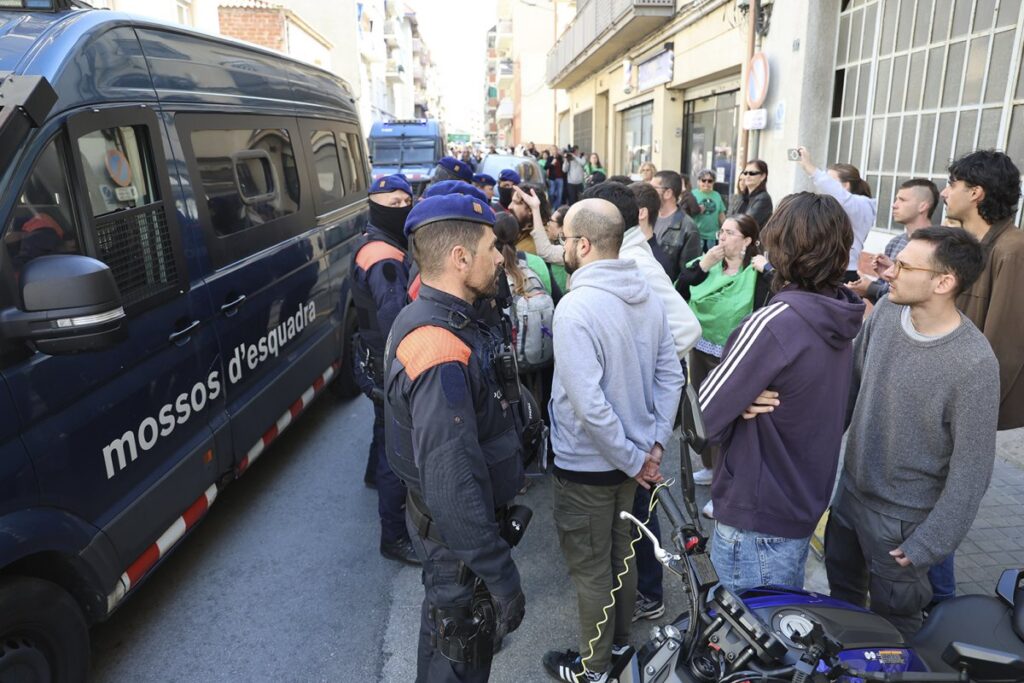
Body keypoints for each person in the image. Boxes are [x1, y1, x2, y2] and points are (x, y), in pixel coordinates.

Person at [825, 227, 997, 637]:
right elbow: (850, 388)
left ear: (944, 282)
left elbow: (972, 471)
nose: (890, 273)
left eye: (904, 265)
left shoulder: (974, 364)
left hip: (902, 524)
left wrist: (930, 544)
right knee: (840, 606)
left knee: (894, 628)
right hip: (849, 495)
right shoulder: (885, 314)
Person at [385, 192, 527, 682]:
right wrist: (500, 575)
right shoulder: (439, 346)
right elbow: (452, 480)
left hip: (458, 542)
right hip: (461, 550)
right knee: (458, 658)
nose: (500, 258)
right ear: (459, 257)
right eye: (492, 248)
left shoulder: (451, 317)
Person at [542, 198, 684, 683]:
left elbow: (589, 406)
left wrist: (635, 458)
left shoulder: (575, 308)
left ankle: (594, 669)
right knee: (620, 556)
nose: (561, 247)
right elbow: (672, 376)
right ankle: (620, 645)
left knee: (592, 570)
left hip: (591, 467)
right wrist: (653, 448)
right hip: (635, 462)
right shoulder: (645, 293)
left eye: (562, 240)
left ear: (583, 245)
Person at [700, 192, 865, 594]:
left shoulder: (775, 321)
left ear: (783, 246)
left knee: (749, 643)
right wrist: (741, 403)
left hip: (756, 513)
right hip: (801, 499)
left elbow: (702, 414)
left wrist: (735, 404)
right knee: (782, 636)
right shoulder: (841, 313)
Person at [583, 181, 701, 625]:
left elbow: (685, 329)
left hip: (641, 412)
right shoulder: (625, 253)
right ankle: (643, 589)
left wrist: (638, 361)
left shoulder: (632, 261)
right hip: (638, 412)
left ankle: (649, 593)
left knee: (640, 506)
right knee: (636, 504)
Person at [675, 214, 773, 512]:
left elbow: (775, 299)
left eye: (731, 233)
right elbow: (679, 289)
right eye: (722, 231)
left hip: (735, 354)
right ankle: (708, 466)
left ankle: (726, 486)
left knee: (727, 417)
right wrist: (703, 265)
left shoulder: (756, 271)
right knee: (701, 410)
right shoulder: (708, 265)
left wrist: (767, 269)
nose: (722, 237)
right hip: (701, 347)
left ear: (747, 241)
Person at [349, 175, 419, 566]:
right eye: (391, 202)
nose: (400, 207)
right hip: (385, 359)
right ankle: (394, 536)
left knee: (382, 424)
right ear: (374, 204)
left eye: (404, 200)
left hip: (371, 354)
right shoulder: (384, 258)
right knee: (398, 446)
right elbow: (396, 320)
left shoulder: (373, 239)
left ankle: (373, 475)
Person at [941, 150, 1024, 431]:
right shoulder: (966, 245)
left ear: (976, 192)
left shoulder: (1013, 250)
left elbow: (1005, 345)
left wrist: (974, 410)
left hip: (969, 404)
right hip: (947, 392)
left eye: (952, 185)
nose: (944, 193)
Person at [849, 178, 938, 304]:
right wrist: (864, 288)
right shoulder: (895, 243)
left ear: (923, 206)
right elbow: (884, 300)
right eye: (896, 199)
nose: (894, 205)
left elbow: (922, 295)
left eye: (902, 200)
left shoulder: (935, 246)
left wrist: (870, 288)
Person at [796, 146, 877, 283]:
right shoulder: (840, 206)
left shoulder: (862, 205)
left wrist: (810, 168)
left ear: (845, 185)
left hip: (844, 273)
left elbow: (838, 194)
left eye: (830, 180)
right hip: (826, 270)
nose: (825, 186)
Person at [650, 171, 702, 280]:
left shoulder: (688, 227)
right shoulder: (648, 218)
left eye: (653, 188)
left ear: (668, 193)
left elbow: (688, 273)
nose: (649, 192)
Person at [507, 182, 551, 255]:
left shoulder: (534, 245)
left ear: (531, 209)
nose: (509, 206)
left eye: (515, 202)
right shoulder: (520, 230)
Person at [728, 159, 773, 229]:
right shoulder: (743, 197)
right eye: (745, 173)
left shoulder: (763, 199)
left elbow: (747, 223)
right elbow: (729, 219)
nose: (747, 176)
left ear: (763, 176)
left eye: (752, 173)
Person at [691, 169, 726, 251]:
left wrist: (725, 230)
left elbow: (721, 215)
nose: (706, 183)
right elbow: (686, 214)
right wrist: (697, 210)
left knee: (712, 261)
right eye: (703, 180)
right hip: (697, 235)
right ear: (699, 181)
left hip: (713, 237)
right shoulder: (692, 194)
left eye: (710, 181)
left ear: (713, 182)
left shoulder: (717, 195)